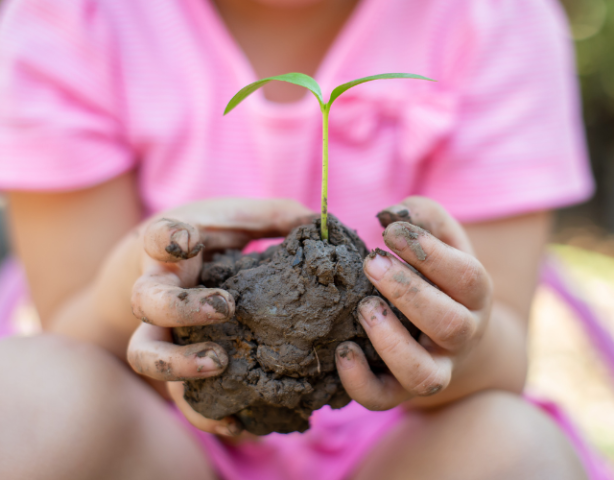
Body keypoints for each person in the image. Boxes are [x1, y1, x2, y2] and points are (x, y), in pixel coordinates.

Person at [0, 0, 606, 479]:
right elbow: (74, 342)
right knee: (27, 399)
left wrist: (454, 336)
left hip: (401, 442)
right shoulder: (74, 18)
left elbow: (504, 358)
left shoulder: (494, 20)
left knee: (514, 449)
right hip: (155, 436)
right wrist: (129, 291)